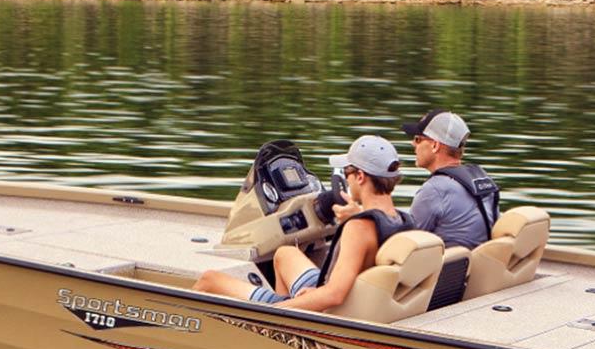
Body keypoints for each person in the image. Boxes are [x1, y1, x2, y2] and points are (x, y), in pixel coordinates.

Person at [194, 136, 412, 312]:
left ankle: (279, 325)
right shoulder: (401, 219)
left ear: (361, 177)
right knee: (284, 253)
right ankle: (278, 338)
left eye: (347, 172)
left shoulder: (360, 227)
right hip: (343, 295)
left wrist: (280, 310)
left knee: (208, 279)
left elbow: (334, 295)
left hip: (325, 311)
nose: (346, 178)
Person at [401, 109, 500, 250]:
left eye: (418, 139)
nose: (413, 144)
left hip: (450, 269)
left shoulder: (434, 190)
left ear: (435, 145)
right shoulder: (480, 179)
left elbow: (408, 246)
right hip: (476, 264)